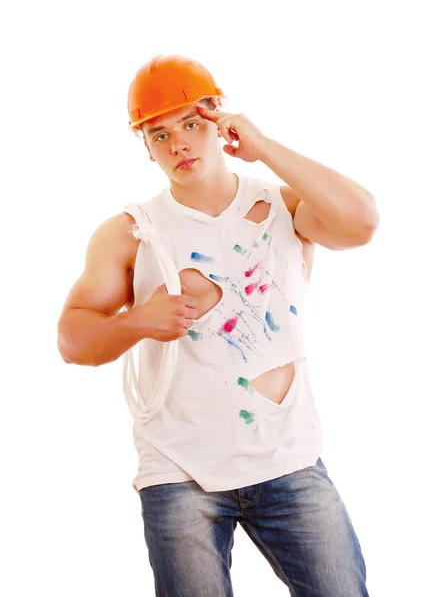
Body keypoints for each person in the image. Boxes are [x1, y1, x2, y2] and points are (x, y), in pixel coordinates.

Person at [57, 54, 379, 596]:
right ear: (145, 145)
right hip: (181, 470)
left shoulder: (284, 204)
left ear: (220, 120)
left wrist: (264, 146)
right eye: (159, 134)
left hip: (288, 457)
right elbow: (72, 339)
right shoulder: (132, 232)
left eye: (191, 123)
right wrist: (139, 321)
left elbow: (362, 221)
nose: (178, 143)